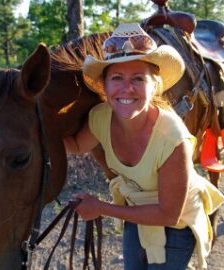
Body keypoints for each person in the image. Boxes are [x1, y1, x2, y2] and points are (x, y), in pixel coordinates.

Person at [64, 23, 224, 270]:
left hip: (177, 223)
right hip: (137, 210)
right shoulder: (100, 117)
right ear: (105, 87)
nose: (127, 88)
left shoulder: (172, 137)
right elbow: (74, 144)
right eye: (117, 78)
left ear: (155, 86)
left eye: (138, 78)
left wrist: (100, 208)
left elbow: (168, 214)